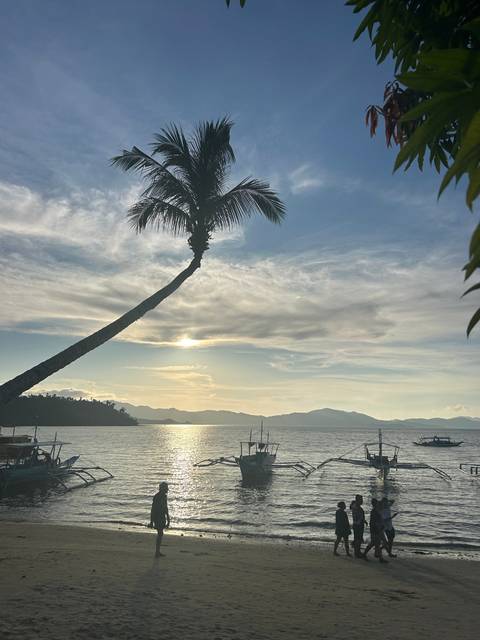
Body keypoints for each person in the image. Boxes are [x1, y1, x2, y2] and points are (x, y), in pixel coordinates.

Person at [149, 482, 170, 557]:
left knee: (160, 534)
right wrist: (151, 521)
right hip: (157, 517)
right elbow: (153, 509)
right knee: (160, 533)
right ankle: (157, 552)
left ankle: (157, 551)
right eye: (166, 488)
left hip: (162, 516)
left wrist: (168, 519)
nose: (167, 489)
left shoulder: (164, 496)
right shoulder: (157, 497)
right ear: (162, 488)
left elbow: (166, 508)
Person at [363, 498, 388, 563]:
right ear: (375, 504)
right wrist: (379, 528)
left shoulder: (376, 511)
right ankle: (380, 558)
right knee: (375, 543)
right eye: (377, 503)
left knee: (375, 543)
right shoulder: (374, 512)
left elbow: (376, 521)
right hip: (375, 530)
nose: (378, 504)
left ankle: (379, 558)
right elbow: (374, 522)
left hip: (376, 529)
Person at [350, 494, 367, 558]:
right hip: (358, 525)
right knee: (358, 539)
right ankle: (357, 552)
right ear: (358, 500)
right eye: (361, 500)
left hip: (356, 524)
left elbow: (360, 517)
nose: (362, 501)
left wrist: (364, 521)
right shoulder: (357, 508)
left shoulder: (354, 506)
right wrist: (363, 520)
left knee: (357, 538)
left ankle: (357, 551)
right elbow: (359, 517)